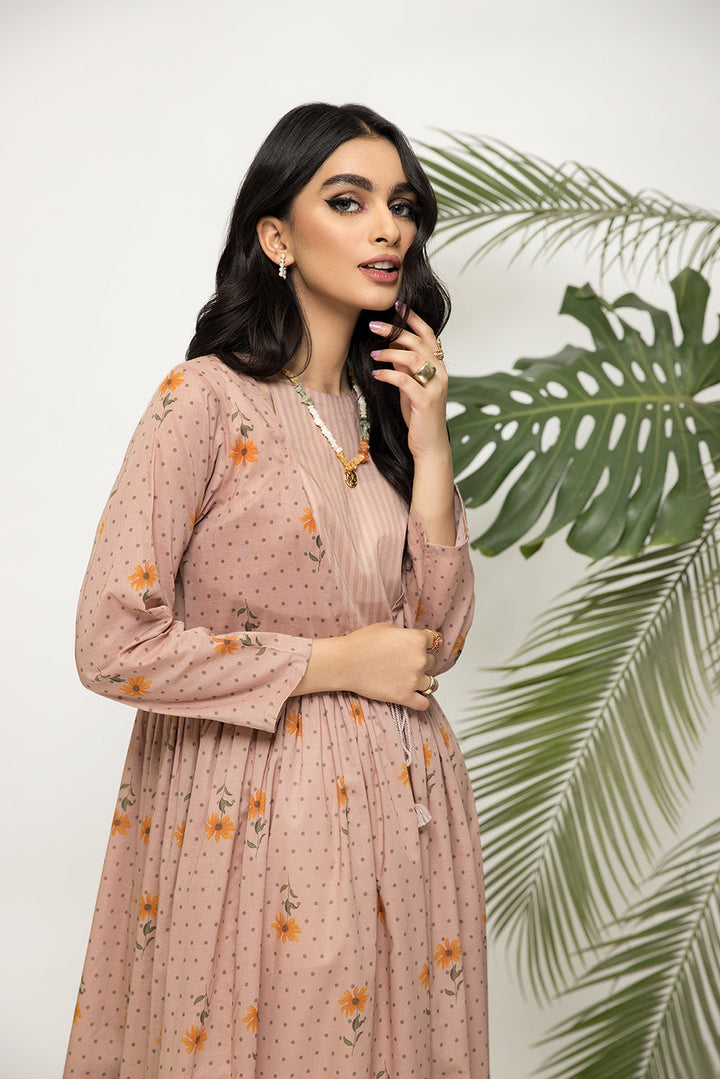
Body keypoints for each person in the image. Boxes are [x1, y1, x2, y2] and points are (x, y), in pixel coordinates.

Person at [64, 102, 488, 1078]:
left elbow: (435, 639)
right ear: (276, 237)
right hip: (256, 817)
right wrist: (333, 663)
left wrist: (430, 441)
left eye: (402, 205)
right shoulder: (204, 402)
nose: (388, 228)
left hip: (410, 814)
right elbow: (112, 645)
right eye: (348, 201)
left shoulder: (384, 418)